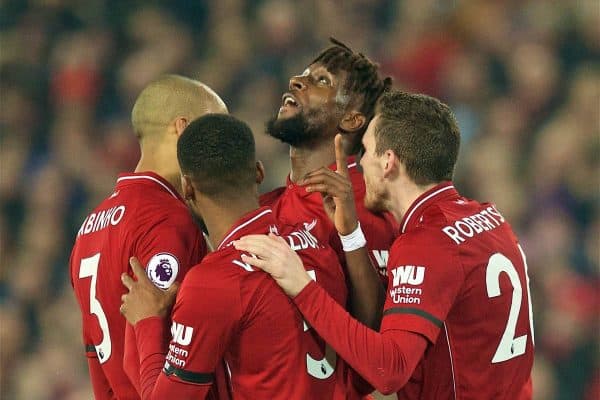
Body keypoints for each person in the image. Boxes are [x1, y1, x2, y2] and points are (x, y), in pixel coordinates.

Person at [234, 90, 535, 399]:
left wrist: (301, 285)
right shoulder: (490, 218)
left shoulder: (425, 243)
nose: (360, 165)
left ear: (389, 161)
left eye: (366, 152)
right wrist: (351, 234)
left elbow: (388, 371)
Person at [119, 114, 348, 399]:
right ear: (258, 172)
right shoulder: (315, 244)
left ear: (187, 187)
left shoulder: (212, 282)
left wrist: (147, 322)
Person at [69, 75, 228, 399]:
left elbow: (94, 351)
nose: (224, 144)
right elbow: (162, 344)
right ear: (183, 128)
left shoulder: (88, 228)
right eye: (216, 130)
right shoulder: (166, 219)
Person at [261, 39, 397, 329]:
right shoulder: (269, 202)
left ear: (350, 119)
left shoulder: (366, 201)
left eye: (321, 81)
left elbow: (377, 328)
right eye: (304, 74)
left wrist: (351, 234)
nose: (296, 81)